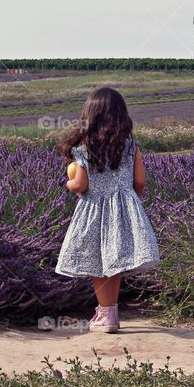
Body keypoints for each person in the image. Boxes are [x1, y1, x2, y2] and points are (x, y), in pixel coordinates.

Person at [56, 87, 160, 333]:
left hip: (94, 209)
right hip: (124, 207)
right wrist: (130, 200)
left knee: (96, 263)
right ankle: (110, 312)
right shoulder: (130, 146)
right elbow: (141, 182)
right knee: (113, 262)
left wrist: (68, 183)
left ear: (89, 115)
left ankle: (105, 315)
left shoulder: (83, 148)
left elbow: (81, 184)